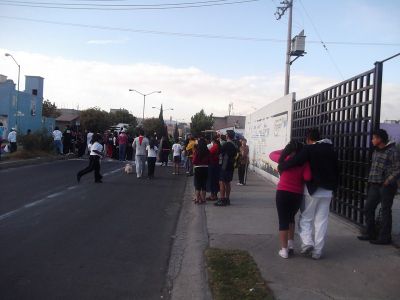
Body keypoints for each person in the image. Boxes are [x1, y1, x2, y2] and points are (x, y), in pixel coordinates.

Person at [278, 128, 338, 260]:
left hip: (313, 190)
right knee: (321, 221)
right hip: (328, 191)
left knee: (306, 218)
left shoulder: (309, 149)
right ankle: (317, 252)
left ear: (308, 139)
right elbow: (337, 170)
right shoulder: (331, 149)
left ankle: (307, 243)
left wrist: (282, 166)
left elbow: (296, 161)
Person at [270, 141, 312, 259]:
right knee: (291, 219)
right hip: (296, 194)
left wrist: (285, 151)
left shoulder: (283, 159)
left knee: (283, 220)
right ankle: (291, 245)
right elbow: (307, 177)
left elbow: (271, 154)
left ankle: (284, 251)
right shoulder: (304, 163)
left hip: (283, 193)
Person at [358, 129, 400, 245]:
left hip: (386, 186)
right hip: (374, 185)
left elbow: (398, 169)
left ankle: (385, 237)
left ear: (380, 139)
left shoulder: (392, 151)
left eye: (374, 138)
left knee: (386, 211)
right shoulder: (376, 151)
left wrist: (388, 181)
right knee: (368, 208)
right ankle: (370, 233)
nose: (372, 140)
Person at [215, 130, 238, 206]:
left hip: (225, 165)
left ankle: (222, 199)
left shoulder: (226, 144)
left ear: (228, 136)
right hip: (231, 166)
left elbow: (219, 152)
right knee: (227, 183)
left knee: (221, 182)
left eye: (226, 134)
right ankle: (227, 199)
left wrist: (218, 143)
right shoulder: (235, 145)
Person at [192, 137, 210, 204]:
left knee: (198, 184)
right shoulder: (207, 151)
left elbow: (194, 161)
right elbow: (209, 161)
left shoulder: (197, 151)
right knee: (204, 185)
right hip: (205, 168)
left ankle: (197, 199)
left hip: (198, 168)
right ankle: (203, 199)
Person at [206, 136, 220, 201]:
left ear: (213, 141)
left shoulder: (215, 147)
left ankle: (213, 195)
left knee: (212, 180)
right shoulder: (219, 146)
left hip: (212, 165)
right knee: (215, 180)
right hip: (216, 165)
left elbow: (209, 154)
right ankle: (215, 195)